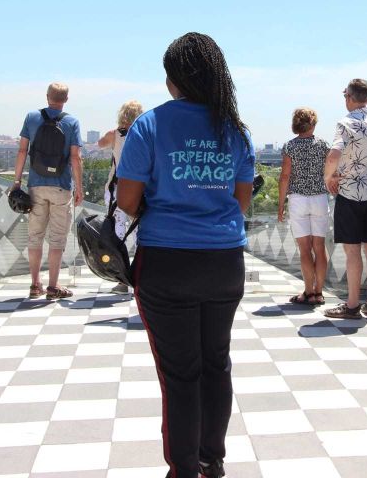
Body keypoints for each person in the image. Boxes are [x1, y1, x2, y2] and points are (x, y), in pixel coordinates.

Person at [116, 32, 254, 478]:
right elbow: (241, 202)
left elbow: (127, 201)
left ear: (174, 79)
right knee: (216, 363)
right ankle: (212, 460)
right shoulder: (235, 130)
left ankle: (184, 469)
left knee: (180, 373)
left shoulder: (149, 125)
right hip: (224, 261)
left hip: (167, 262)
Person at [323, 79, 367, 319]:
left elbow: (333, 155)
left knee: (353, 252)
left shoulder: (346, 123)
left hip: (350, 193)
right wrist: (365, 94)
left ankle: (352, 305)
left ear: (348, 97)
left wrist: (328, 177)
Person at [11, 82, 83, 301]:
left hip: (36, 185)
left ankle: (35, 284)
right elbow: (75, 158)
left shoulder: (32, 117)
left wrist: (17, 182)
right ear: (66, 99)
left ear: (47, 96)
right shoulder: (72, 122)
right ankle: (53, 286)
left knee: (35, 236)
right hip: (61, 186)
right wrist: (79, 187)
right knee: (57, 239)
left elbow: (22, 151)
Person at [277, 107, 330, 306]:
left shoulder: (290, 146)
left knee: (305, 249)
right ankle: (319, 292)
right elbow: (331, 171)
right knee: (319, 247)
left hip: (298, 199)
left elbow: (284, 177)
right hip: (319, 198)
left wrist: (280, 205)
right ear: (313, 124)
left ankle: (308, 292)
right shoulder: (323, 145)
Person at [97, 100, 144, 294]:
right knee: (139, 232)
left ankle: (121, 278)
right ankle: (140, 275)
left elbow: (100, 144)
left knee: (118, 233)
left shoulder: (115, 134)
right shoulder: (144, 134)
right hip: (139, 189)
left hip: (117, 188)